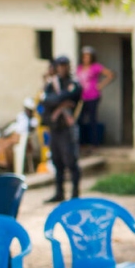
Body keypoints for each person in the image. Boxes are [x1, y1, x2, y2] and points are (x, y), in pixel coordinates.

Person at [42, 56, 83, 203]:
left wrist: (58, 99)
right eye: (59, 66)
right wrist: (61, 101)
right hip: (55, 129)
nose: (61, 68)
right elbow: (46, 100)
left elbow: (73, 95)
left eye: (64, 65)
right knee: (57, 161)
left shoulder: (73, 83)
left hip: (67, 129)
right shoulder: (51, 84)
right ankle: (59, 193)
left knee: (71, 160)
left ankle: (75, 194)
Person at [75, 46, 115, 147]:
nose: (86, 59)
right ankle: (82, 142)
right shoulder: (79, 68)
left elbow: (111, 75)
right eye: (84, 56)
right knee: (80, 119)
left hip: (93, 96)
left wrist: (101, 85)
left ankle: (94, 143)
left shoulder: (96, 67)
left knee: (92, 120)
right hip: (81, 98)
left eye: (88, 56)